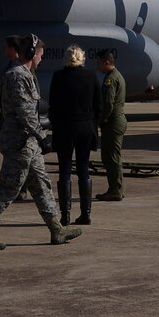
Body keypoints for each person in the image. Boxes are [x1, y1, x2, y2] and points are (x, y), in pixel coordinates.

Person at [0, 35, 82, 250]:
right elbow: (24, 113)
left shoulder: (28, 75)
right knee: (8, 187)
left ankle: (56, 229)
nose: (41, 59)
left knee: (42, 185)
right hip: (19, 143)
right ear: (31, 53)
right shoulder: (17, 76)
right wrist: (42, 136)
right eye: (40, 54)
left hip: (29, 143)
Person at [49, 45, 101, 226]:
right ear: (82, 59)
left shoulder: (58, 77)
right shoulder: (91, 76)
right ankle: (85, 213)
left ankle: (65, 215)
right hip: (85, 127)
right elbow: (98, 105)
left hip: (64, 127)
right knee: (83, 169)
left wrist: (55, 124)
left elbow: (53, 106)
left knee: (64, 170)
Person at [95, 48, 127, 202]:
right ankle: (115, 188)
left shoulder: (110, 79)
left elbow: (108, 103)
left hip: (112, 122)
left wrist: (101, 119)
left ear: (106, 62)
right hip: (116, 120)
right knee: (112, 156)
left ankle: (115, 190)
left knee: (111, 157)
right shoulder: (116, 76)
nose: (97, 66)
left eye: (99, 62)